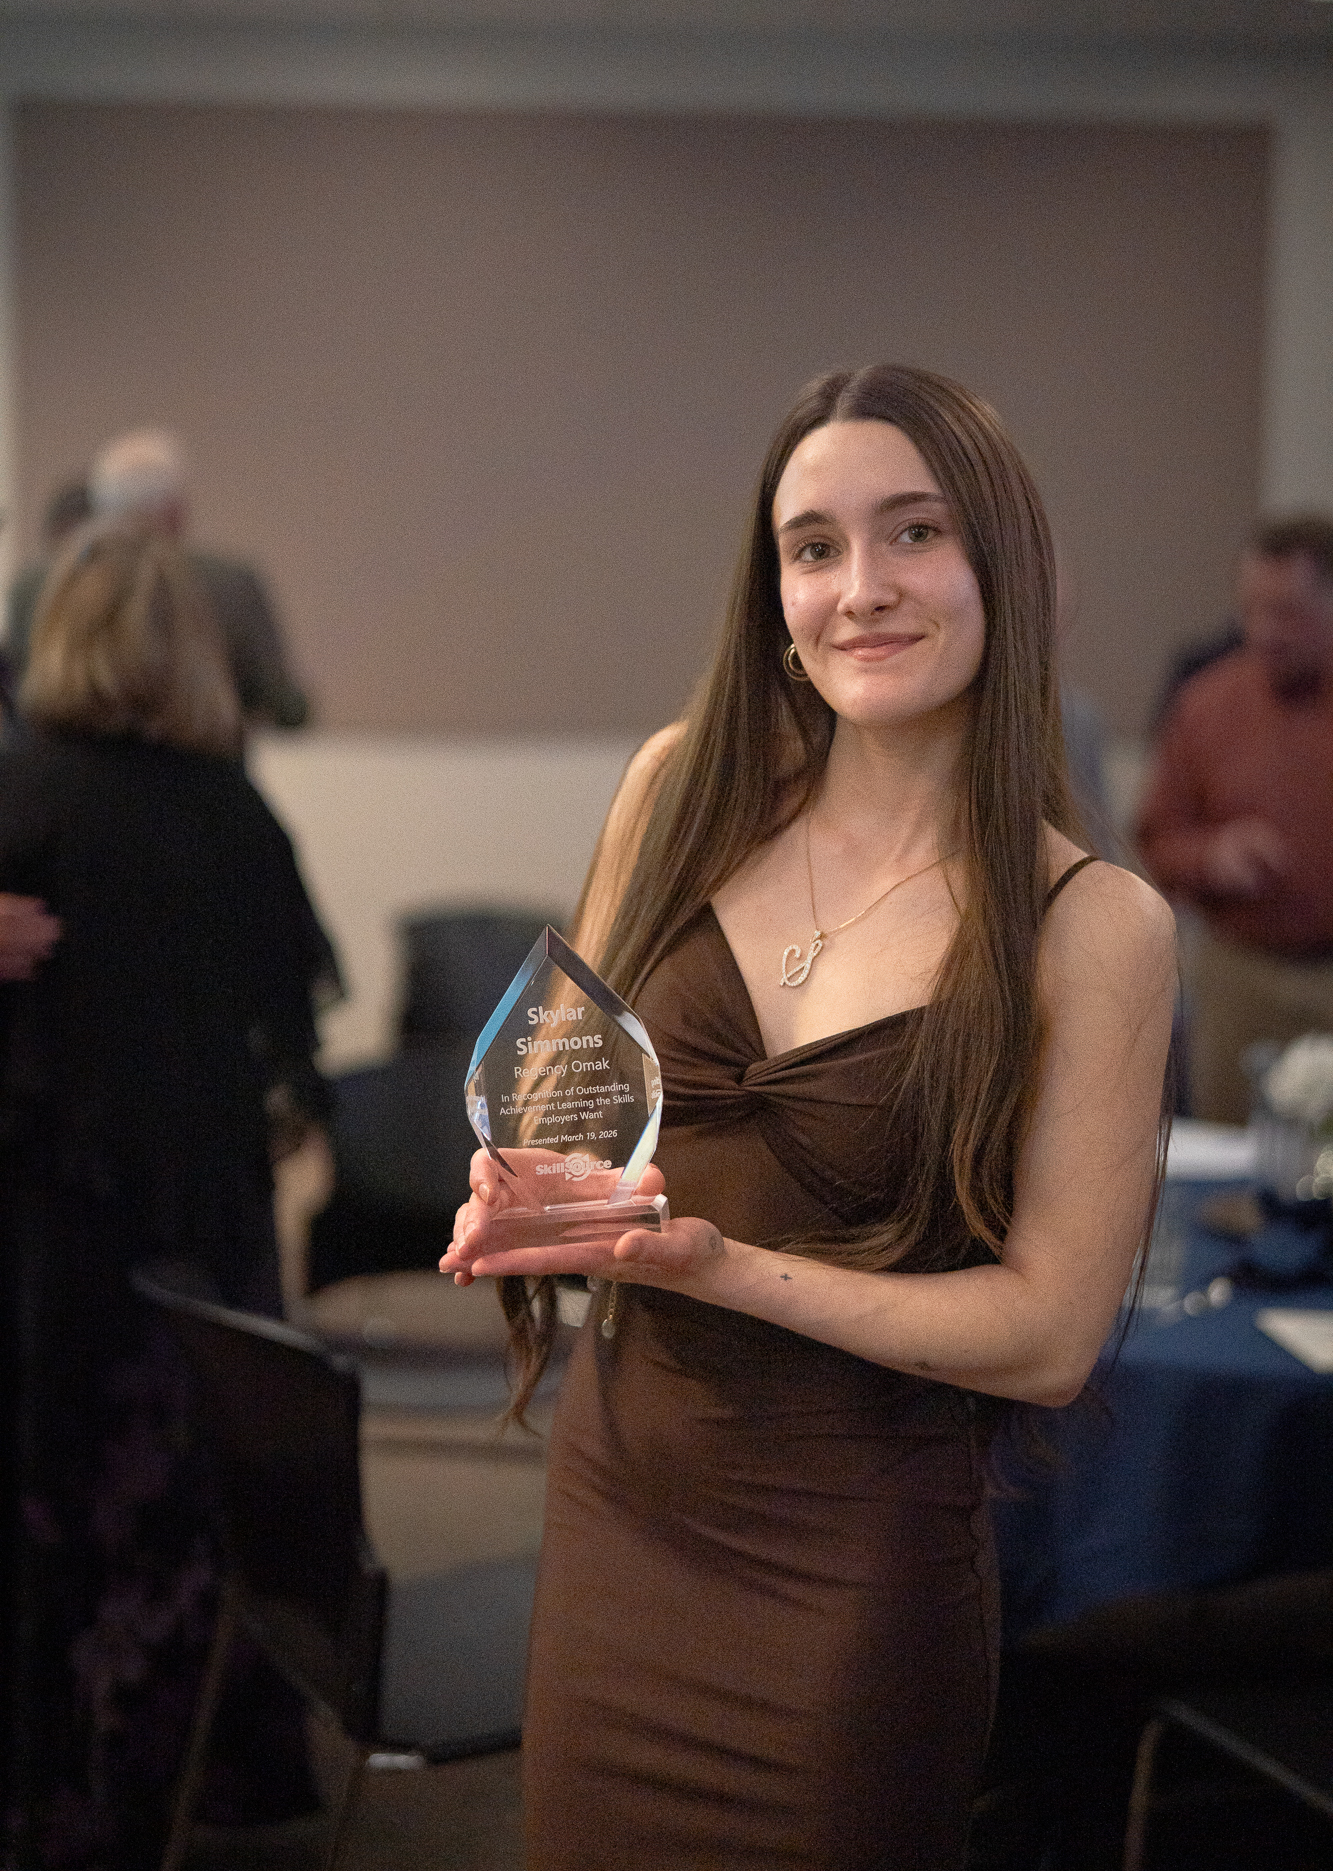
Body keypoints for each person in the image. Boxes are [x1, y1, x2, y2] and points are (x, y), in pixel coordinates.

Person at [443, 365, 1175, 1871]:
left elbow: (1049, 1337)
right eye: (814, 547)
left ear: (1002, 563)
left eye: (914, 533)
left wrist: (725, 1267)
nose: (860, 589)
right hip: (621, 1508)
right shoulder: (677, 791)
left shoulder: (1094, 925)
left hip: (848, 1573)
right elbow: (568, 1112)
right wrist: (530, 1193)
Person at [0, 522, 336, 1867]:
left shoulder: (16, 796)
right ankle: (209, 1771)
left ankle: (56, 1789)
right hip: (204, 1225)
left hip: (49, 1230)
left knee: (50, 1493)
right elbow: (286, 1025)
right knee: (202, 1490)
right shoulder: (237, 811)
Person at [1136, 515, 1333, 1123]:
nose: (1264, 631)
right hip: (1241, 976)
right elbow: (1155, 838)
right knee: (1229, 1155)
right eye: (1253, 610)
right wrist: (1212, 855)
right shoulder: (1207, 703)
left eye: (1287, 612)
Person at [5, 430, 310, 730]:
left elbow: (19, 700)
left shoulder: (33, 589)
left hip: (59, 753)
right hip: (194, 755)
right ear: (176, 511)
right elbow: (285, 706)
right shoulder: (231, 586)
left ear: (99, 507)